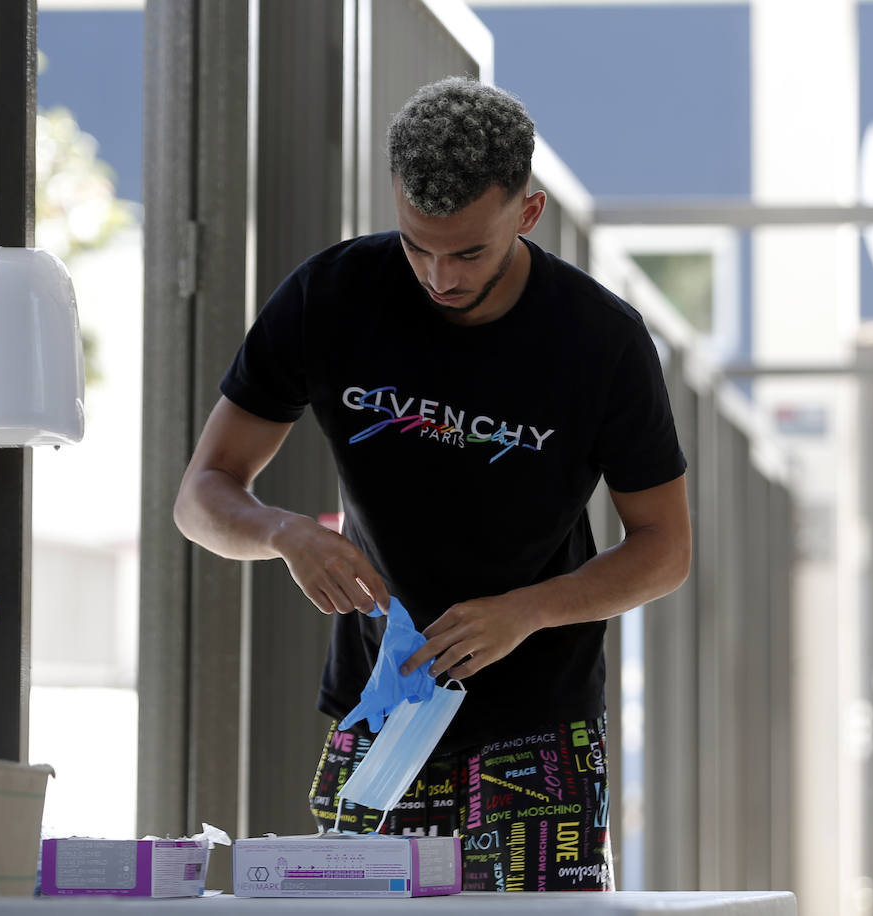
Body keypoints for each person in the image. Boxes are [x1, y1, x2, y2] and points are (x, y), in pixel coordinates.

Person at [173, 76, 691, 892]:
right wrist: (282, 533)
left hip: (539, 723)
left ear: (528, 211)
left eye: (468, 252)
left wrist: (531, 609)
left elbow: (665, 550)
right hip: (381, 709)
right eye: (417, 245)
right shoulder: (329, 297)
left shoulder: (601, 340)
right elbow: (203, 491)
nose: (439, 277)